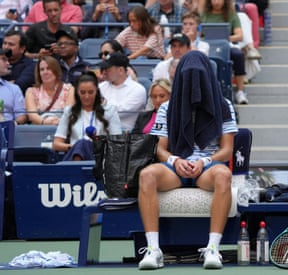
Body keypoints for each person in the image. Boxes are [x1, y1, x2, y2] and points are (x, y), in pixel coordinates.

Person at [137, 51, 238, 270]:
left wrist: (205, 161)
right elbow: (159, 149)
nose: (194, 84)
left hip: (207, 167)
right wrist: (175, 161)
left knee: (223, 175)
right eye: (189, 77)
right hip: (175, 167)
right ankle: (154, 250)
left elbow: (227, 150)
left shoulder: (224, 106)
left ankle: (212, 248)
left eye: (199, 77)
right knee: (146, 175)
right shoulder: (166, 108)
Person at [53, 71, 122, 160]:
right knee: (82, 144)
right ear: (77, 92)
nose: (86, 96)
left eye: (90, 92)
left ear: (96, 92)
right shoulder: (69, 112)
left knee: (83, 145)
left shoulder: (109, 111)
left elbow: (118, 144)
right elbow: (56, 144)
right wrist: (75, 147)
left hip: (100, 157)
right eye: (83, 92)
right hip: (74, 153)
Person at [200, 0, 249, 104]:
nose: (216, 2)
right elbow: (199, 34)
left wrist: (225, 38)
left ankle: (240, 91)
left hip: (226, 45)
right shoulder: (203, 15)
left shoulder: (231, 15)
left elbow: (239, 35)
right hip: (207, 46)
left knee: (238, 55)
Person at [99, 52, 146, 131]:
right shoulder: (100, 87)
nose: (104, 72)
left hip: (126, 135)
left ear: (120, 70)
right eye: (103, 69)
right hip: (101, 131)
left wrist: (103, 103)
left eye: (108, 69)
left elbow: (117, 113)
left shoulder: (137, 90)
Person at [25, 56, 75, 125]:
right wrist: (44, 122)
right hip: (40, 129)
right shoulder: (31, 92)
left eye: (48, 69)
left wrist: (59, 123)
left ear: (56, 70)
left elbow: (68, 113)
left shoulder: (69, 89)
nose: (45, 72)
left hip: (62, 128)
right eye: (42, 69)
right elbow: (32, 116)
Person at [2, 30, 36, 94]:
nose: (6, 47)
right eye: (4, 43)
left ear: (22, 49)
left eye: (11, 44)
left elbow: (18, 86)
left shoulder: (31, 66)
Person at [0, 49, 27, 124]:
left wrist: (13, 124)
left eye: (8, 60)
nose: (8, 63)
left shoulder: (14, 89)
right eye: (4, 60)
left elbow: (21, 116)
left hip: (6, 131)